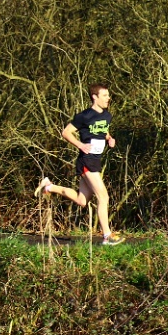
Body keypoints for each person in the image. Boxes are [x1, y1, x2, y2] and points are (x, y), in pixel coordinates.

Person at [34, 83, 125, 246]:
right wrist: (80, 145)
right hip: (86, 160)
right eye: (105, 95)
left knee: (82, 200)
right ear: (95, 97)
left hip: (95, 160)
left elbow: (103, 130)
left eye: (108, 95)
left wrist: (109, 139)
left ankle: (49, 186)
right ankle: (107, 236)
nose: (108, 98)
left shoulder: (107, 116)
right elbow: (66, 132)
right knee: (103, 196)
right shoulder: (84, 116)